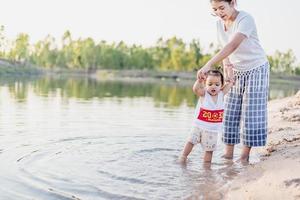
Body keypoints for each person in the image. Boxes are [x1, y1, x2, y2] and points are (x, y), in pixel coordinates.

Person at [197, 0, 270, 162]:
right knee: (230, 110)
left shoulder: (245, 19)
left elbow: (232, 46)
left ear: (233, 3)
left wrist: (209, 64)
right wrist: (228, 72)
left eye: (222, 8)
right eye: (215, 9)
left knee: (251, 112)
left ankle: (244, 156)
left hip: (256, 68)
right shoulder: (219, 25)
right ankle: (228, 153)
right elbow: (226, 54)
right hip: (235, 71)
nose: (219, 12)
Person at [179, 69, 234, 163]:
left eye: (217, 84)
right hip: (198, 126)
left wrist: (231, 79)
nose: (213, 86)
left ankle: (207, 168)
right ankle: (183, 157)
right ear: (205, 84)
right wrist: (199, 81)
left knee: (209, 150)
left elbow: (230, 84)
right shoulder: (204, 94)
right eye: (210, 84)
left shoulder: (221, 94)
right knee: (190, 142)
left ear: (221, 85)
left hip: (212, 130)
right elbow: (195, 89)